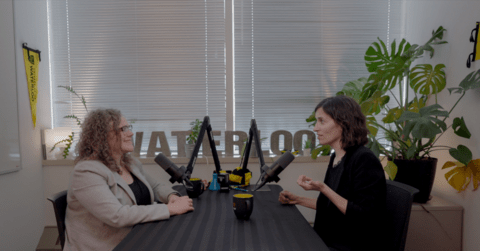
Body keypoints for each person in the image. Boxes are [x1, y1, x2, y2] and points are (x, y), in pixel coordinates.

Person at [64, 109, 206, 251]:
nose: (130, 133)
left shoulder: (129, 163)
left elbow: (156, 186)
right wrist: (169, 209)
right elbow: (117, 215)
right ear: (102, 137)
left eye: (128, 128)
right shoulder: (86, 172)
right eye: (123, 129)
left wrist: (171, 197)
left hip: (139, 237)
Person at [279, 95, 386, 251]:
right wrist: (297, 199)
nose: (315, 128)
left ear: (344, 123)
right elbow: (330, 206)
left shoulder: (364, 159)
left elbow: (363, 216)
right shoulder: (336, 156)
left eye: (322, 121)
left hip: (350, 245)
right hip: (327, 239)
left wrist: (324, 189)